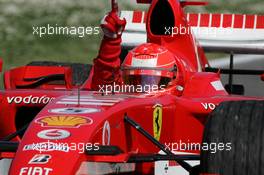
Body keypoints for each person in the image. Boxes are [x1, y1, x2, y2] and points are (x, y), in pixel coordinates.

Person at [84, 10, 178, 93]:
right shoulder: (123, 89)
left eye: (151, 81)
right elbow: (104, 85)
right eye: (135, 81)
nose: (143, 90)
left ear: (172, 78)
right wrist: (111, 40)